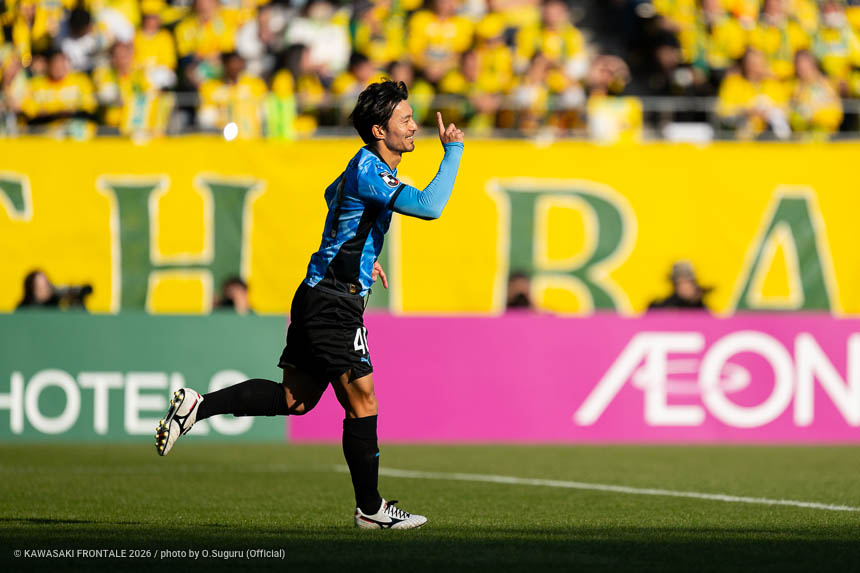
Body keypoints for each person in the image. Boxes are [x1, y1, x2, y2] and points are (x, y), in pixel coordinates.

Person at [154, 80, 465, 530]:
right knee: (363, 400)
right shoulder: (370, 169)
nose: (414, 126)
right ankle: (371, 509)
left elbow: (331, 196)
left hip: (319, 293)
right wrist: (452, 151)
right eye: (405, 119)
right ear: (380, 131)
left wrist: (362, 254)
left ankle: (197, 407)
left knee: (294, 399)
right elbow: (429, 206)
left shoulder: (362, 166)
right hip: (334, 301)